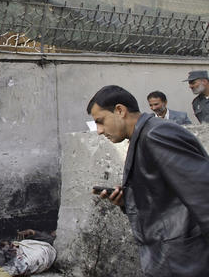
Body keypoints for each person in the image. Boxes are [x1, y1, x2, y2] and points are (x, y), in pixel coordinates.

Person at [88, 85, 209, 276]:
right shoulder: (142, 136)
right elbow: (164, 198)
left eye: (100, 121)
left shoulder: (156, 134)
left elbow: (203, 194)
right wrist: (126, 200)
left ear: (120, 110)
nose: (99, 131)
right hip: (167, 258)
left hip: (184, 260)